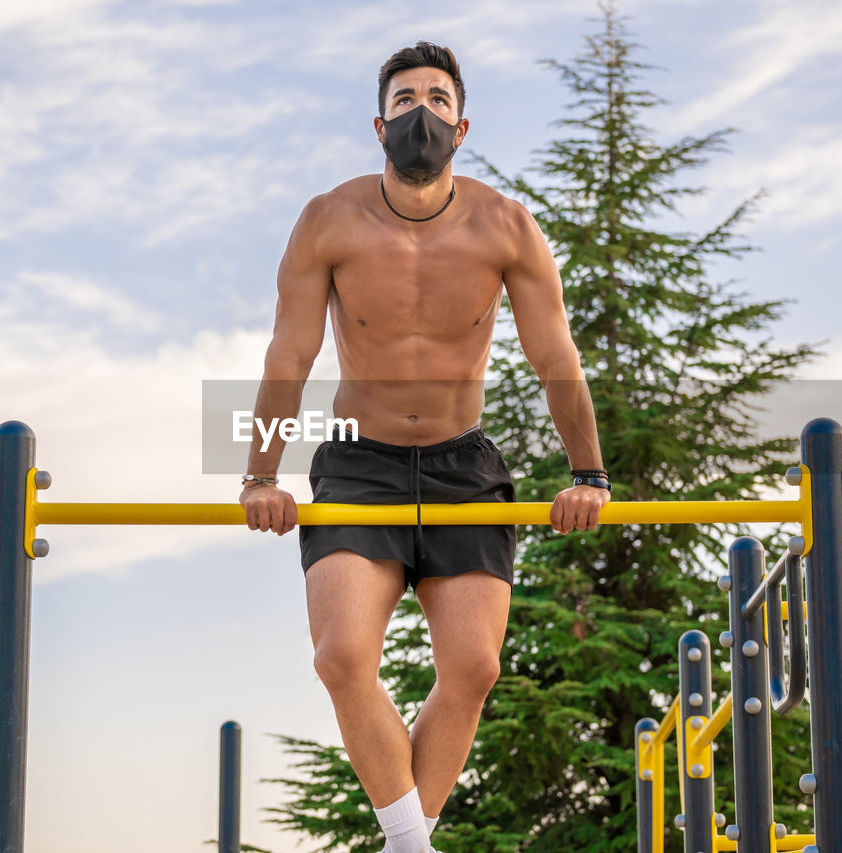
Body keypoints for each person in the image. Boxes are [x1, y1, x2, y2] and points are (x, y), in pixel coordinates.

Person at [239, 41, 611, 853]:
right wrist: (259, 474)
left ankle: (409, 842)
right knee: (341, 657)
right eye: (405, 100)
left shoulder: (505, 225)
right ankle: (414, 846)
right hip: (358, 463)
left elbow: (556, 358)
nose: (421, 113)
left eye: (437, 100)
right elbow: (289, 358)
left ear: (462, 125)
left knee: (474, 669)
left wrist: (590, 472)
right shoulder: (328, 220)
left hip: (462, 466)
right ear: (379, 125)